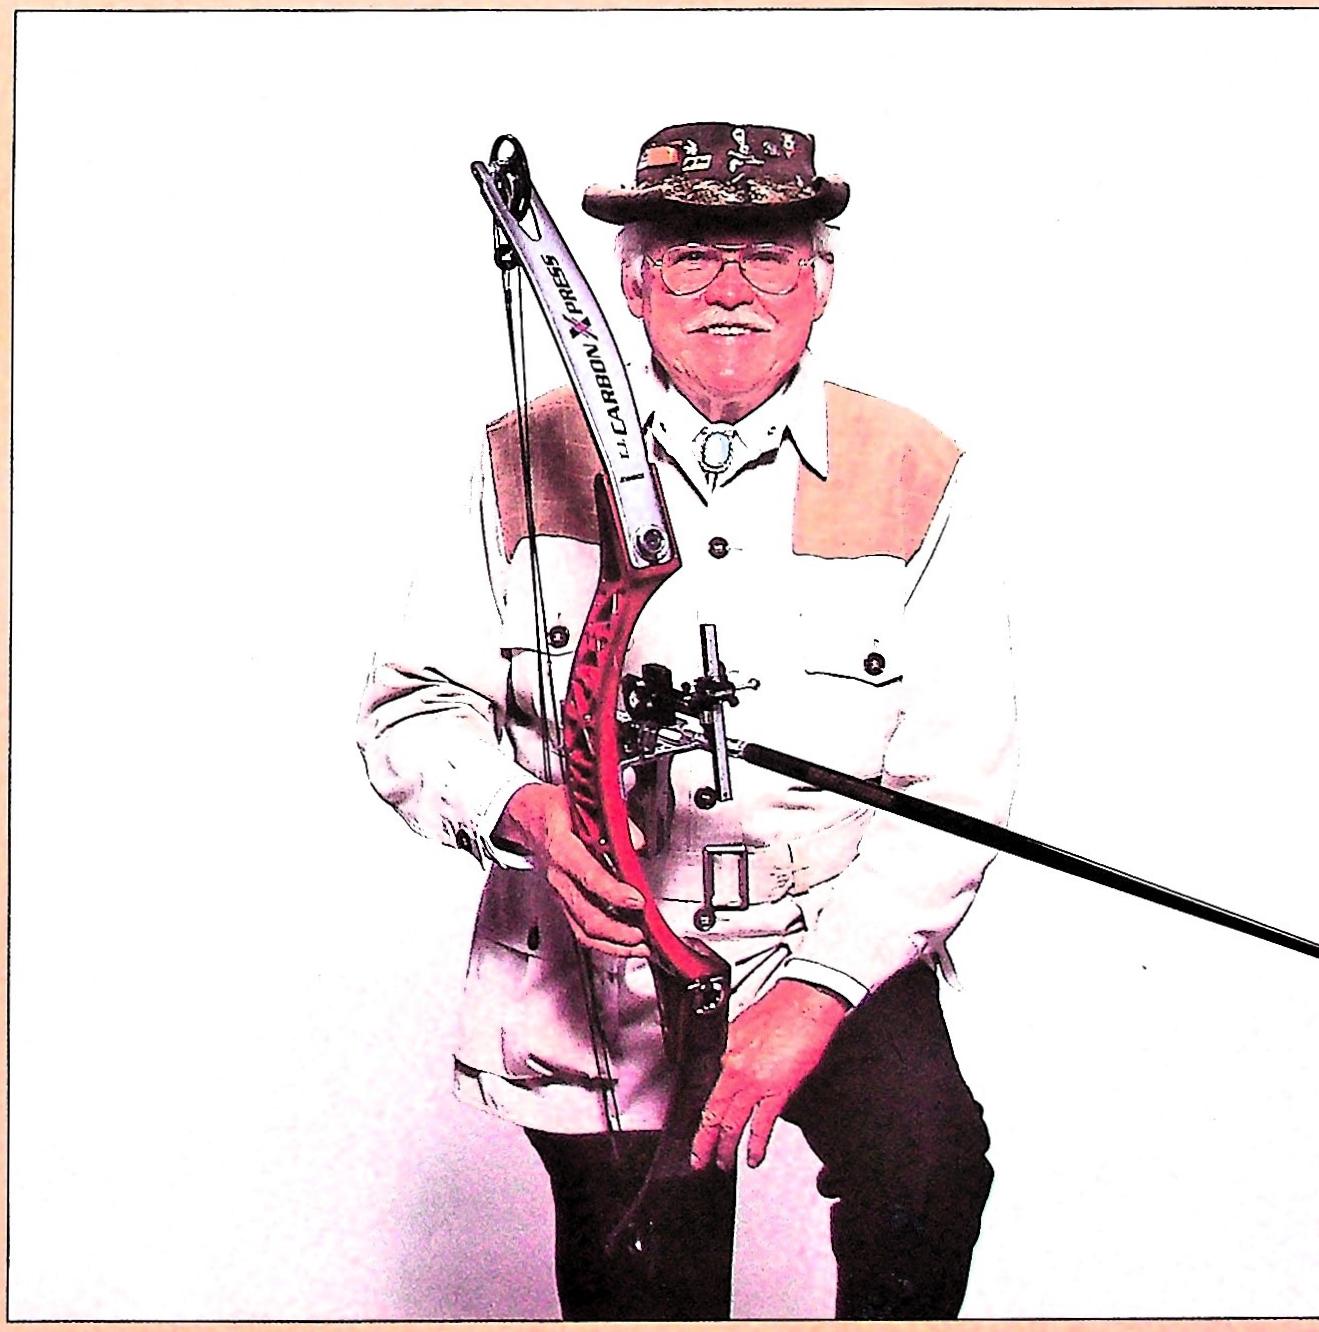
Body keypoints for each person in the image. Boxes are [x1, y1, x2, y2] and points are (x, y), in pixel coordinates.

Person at [358, 121, 1017, 1320]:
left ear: (819, 281)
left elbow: (956, 778)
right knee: (643, 1283)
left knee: (926, 1171)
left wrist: (818, 989)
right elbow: (411, 710)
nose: (730, 290)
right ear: (628, 281)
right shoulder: (519, 458)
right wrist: (529, 811)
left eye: (767, 257)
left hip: (832, 929)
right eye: (689, 257)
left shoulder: (912, 467)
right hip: (602, 958)